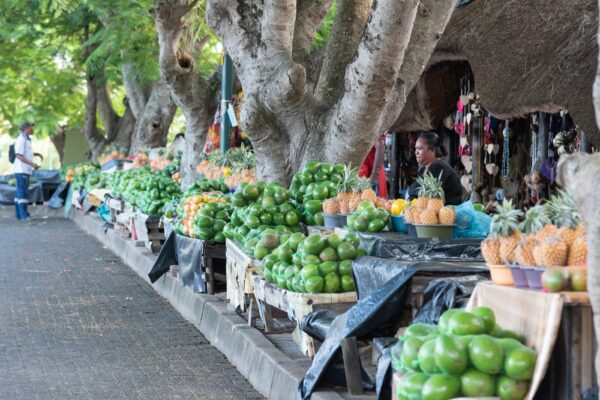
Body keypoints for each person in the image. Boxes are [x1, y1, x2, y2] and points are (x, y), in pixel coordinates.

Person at [407, 131, 463, 205]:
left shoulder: (438, 167)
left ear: (432, 150)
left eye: (420, 148)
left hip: (446, 211)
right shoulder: (424, 168)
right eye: (416, 148)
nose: (416, 152)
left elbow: (416, 192)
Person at [13, 121, 39, 220]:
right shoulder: (21, 139)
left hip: (25, 170)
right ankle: (24, 215)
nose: (33, 129)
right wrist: (32, 164)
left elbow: (25, 153)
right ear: (26, 129)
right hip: (21, 170)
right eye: (31, 127)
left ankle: (19, 215)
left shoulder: (26, 139)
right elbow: (19, 155)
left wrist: (35, 154)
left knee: (19, 192)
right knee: (22, 192)